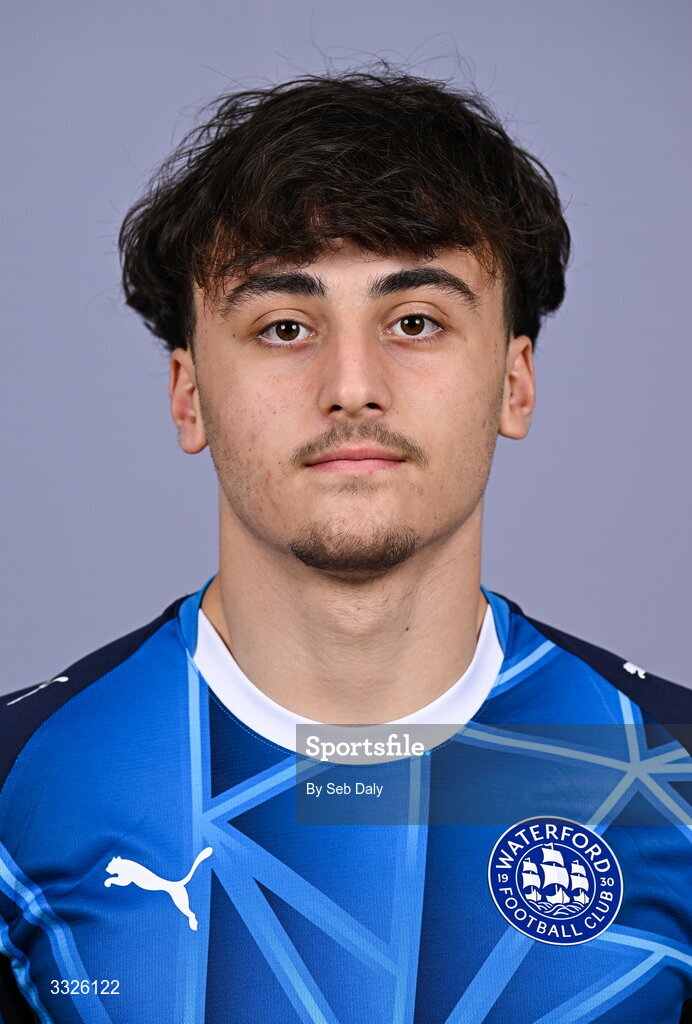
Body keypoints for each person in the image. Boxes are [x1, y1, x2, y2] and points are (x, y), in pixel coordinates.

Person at [0, 66, 689, 1024]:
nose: (352, 384)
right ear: (188, 393)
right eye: (285, 326)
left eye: (416, 322)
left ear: (514, 383)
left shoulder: (669, 774)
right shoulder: (21, 783)